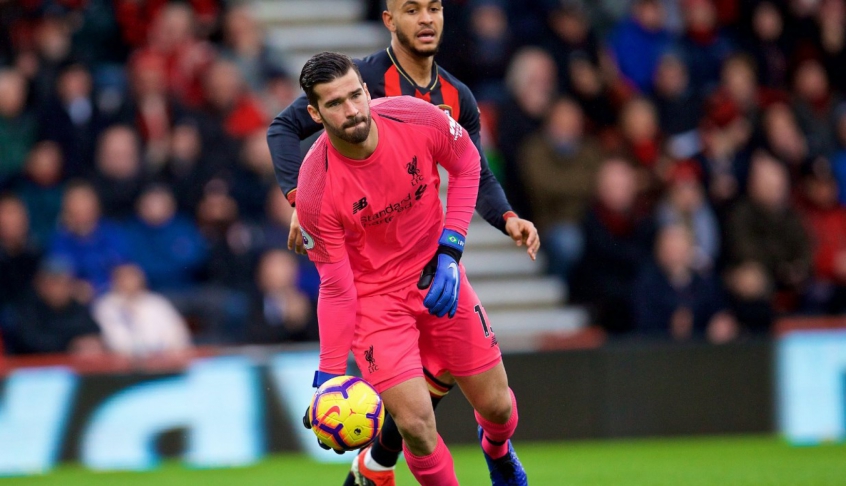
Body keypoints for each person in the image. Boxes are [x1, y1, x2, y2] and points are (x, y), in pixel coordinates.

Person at [267, 2, 538, 484]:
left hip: (438, 274)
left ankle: (495, 449)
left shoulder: (418, 116)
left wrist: (452, 250)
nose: (352, 110)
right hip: (375, 304)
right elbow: (335, 287)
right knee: (415, 425)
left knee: (498, 407)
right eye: (335, 103)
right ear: (315, 112)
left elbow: (468, 164)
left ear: (366, 91)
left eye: (355, 96)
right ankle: (383, 468)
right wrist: (329, 376)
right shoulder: (312, 191)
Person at [92, 263, 192, 357]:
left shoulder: (156, 301)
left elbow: (178, 333)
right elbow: (113, 340)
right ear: (115, 281)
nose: (130, 282)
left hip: (165, 359)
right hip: (123, 363)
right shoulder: (106, 306)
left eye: (134, 277)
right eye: (125, 278)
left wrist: (172, 352)